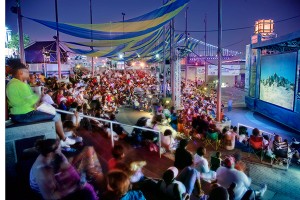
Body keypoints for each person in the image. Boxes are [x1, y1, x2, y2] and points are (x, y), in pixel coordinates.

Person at [5, 58, 75, 148]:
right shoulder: (15, 85)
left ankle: (61, 140)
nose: (29, 74)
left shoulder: (18, 83)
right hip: (23, 115)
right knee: (56, 116)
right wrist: (39, 95)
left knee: (55, 115)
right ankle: (64, 139)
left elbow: (28, 99)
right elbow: (30, 99)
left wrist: (36, 98)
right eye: (27, 72)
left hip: (25, 112)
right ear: (20, 73)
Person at [30, 139, 98, 200]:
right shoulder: (43, 171)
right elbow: (51, 197)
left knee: (87, 187)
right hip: (47, 192)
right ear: (51, 153)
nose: (61, 149)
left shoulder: (50, 153)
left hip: (54, 179)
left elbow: (67, 165)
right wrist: (75, 187)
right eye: (59, 148)